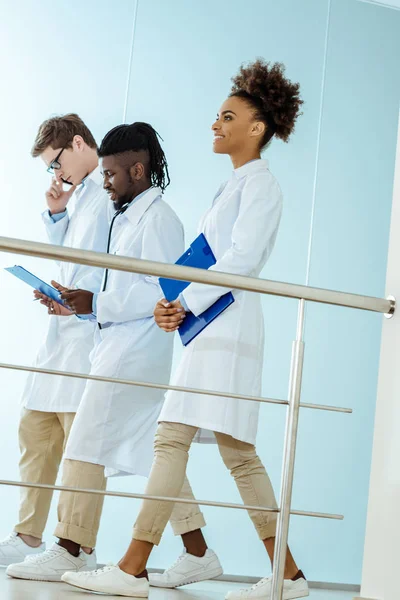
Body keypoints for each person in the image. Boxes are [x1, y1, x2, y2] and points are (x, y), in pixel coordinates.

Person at [62, 60, 309, 600]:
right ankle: (286, 575)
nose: (215, 125)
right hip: (210, 323)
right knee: (227, 452)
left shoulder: (261, 186)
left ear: (257, 128)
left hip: (226, 325)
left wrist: (183, 299)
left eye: (227, 117)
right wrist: (178, 303)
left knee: (177, 439)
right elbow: (211, 260)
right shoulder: (236, 185)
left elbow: (240, 260)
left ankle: (133, 567)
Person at [6, 122, 222, 583]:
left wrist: (95, 303)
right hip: (115, 340)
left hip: (136, 347)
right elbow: (110, 279)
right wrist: (82, 302)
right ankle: (198, 551)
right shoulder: (126, 215)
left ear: (138, 170)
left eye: (111, 175)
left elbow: (162, 288)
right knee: (150, 453)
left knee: (85, 442)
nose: (105, 184)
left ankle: (69, 548)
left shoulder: (159, 218)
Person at [0, 114, 110, 572]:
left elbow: (108, 268)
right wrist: (58, 212)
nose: (56, 173)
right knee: (35, 430)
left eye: (57, 162)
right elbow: (69, 256)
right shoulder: (80, 195)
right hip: (61, 332)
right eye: (50, 168)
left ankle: (77, 547)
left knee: (77, 445)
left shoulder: (110, 192)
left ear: (79, 144)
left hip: (87, 333)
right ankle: (28, 535)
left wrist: (82, 305)